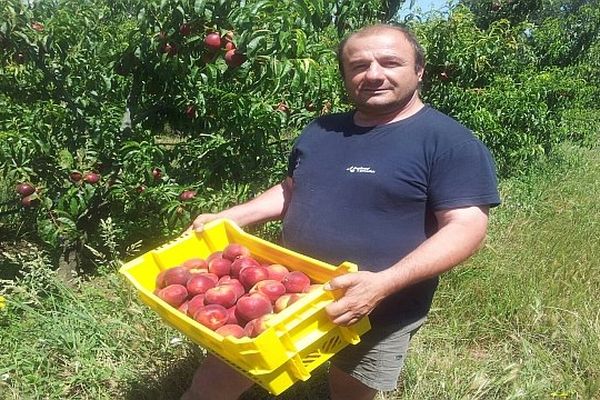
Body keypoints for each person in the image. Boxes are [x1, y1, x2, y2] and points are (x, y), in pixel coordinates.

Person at [181, 23, 501, 400]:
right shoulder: (323, 130)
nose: (374, 74)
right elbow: (292, 189)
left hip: (381, 307)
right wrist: (231, 217)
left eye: (390, 62)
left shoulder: (448, 142)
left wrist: (382, 284)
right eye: (359, 65)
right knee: (218, 377)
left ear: (419, 70)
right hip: (289, 288)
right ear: (346, 76)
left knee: (350, 390)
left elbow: (465, 226)